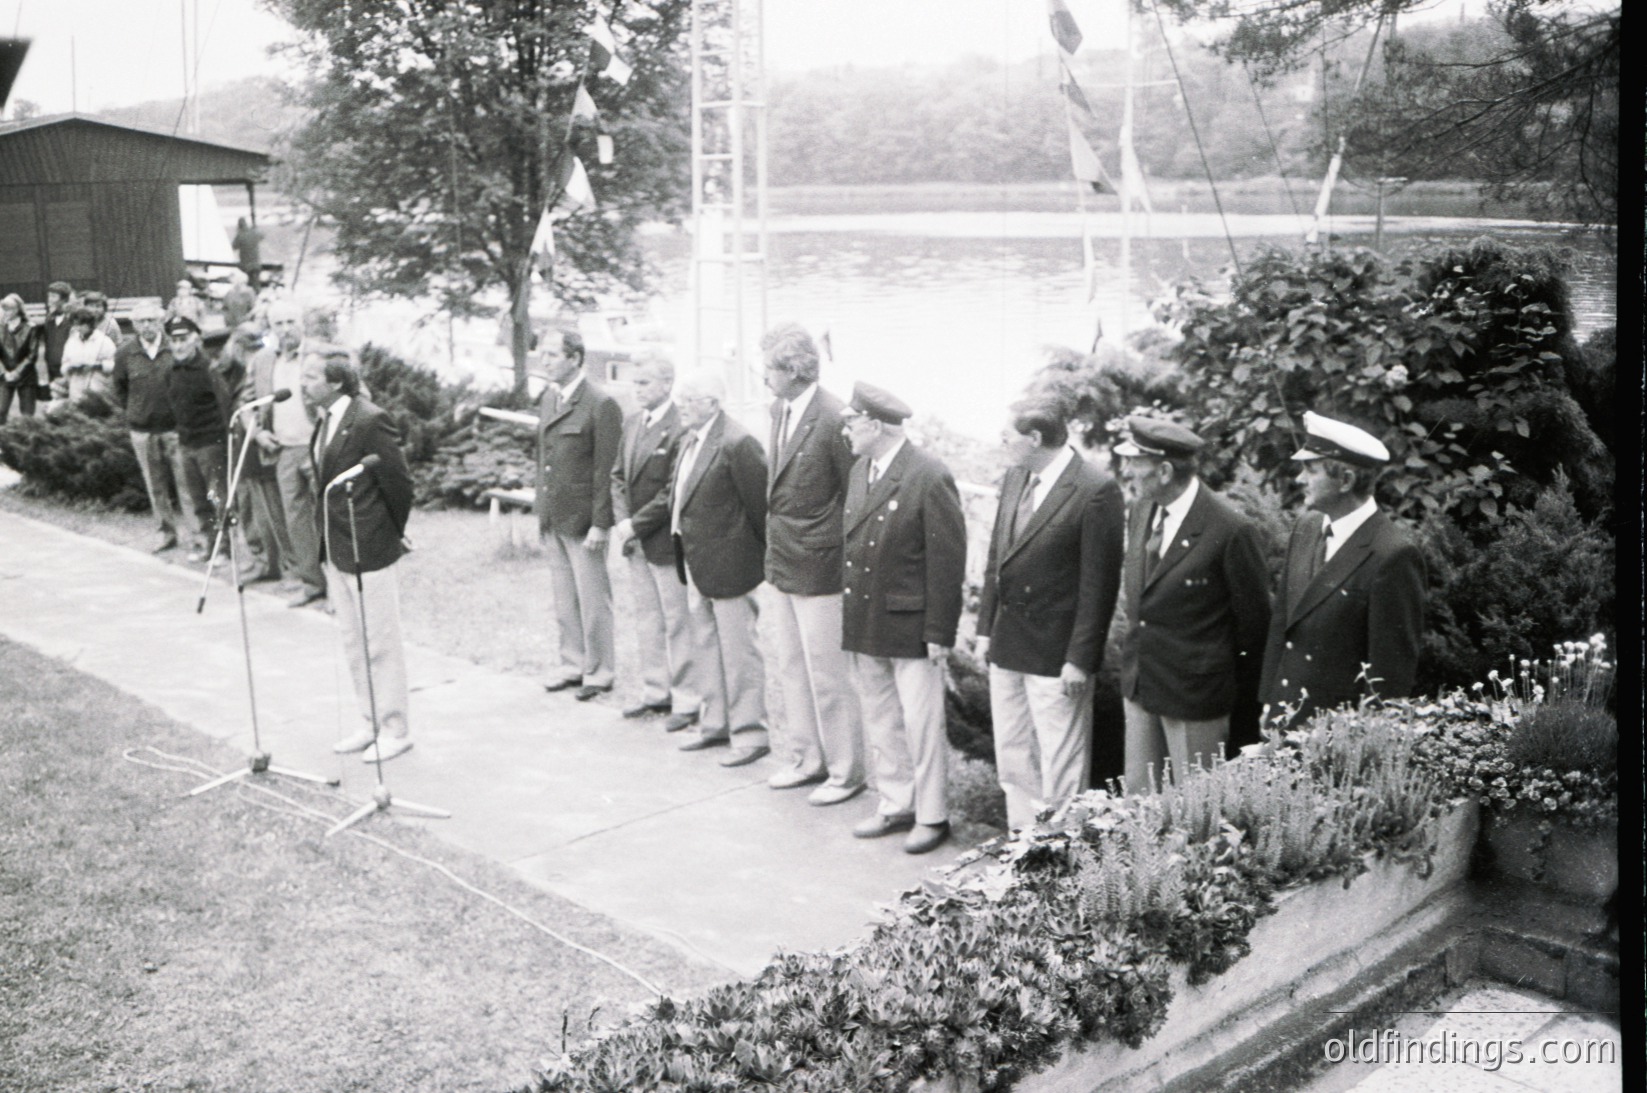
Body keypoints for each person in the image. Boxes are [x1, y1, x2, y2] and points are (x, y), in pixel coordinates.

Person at [975, 400, 1125, 830]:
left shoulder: (1096, 489)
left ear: (1035, 439)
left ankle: (1059, 852)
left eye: (1009, 432)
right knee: (1013, 754)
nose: (1002, 439)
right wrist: (985, 628)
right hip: (1007, 645)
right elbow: (996, 559)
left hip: (1057, 654)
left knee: (1061, 762)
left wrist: (1080, 658)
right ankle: (1024, 844)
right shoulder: (1016, 476)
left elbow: (1100, 586)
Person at [839, 382, 966, 855]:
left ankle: (932, 815)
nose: (846, 429)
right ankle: (895, 803)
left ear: (875, 425)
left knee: (921, 723)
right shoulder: (860, 471)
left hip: (911, 625)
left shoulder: (928, 475)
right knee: (881, 717)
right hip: (867, 619)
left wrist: (940, 631)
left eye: (851, 422)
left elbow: (947, 561)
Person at [1113, 416, 1271, 790]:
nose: (1127, 471)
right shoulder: (1140, 511)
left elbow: (1255, 629)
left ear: (1165, 470)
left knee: (1196, 815)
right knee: (1137, 810)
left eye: (1135, 462)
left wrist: (1240, 709)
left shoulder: (1230, 530)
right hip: (1140, 687)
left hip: (1195, 702)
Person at [1260, 411, 1426, 725]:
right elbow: (1283, 621)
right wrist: (1269, 704)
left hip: (1335, 738)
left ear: (1346, 481)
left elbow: (1388, 680)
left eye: (1310, 470)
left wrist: (1359, 748)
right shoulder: (1307, 527)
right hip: (1284, 721)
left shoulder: (1393, 555)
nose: (1299, 479)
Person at [759, 322, 867, 806]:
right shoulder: (778, 410)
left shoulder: (832, 418)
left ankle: (847, 771)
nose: (763, 377)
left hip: (821, 567)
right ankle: (807, 758)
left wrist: (842, 560)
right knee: (789, 664)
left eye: (769, 368)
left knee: (827, 672)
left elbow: (855, 498)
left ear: (796, 371)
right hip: (781, 560)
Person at [656, 368, 771, 766]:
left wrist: (755, 561)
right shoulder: (691, 440)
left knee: (740, 655)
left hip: (733, 568)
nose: (682, 406)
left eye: (690, 400)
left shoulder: (738, 443)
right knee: (705, 647)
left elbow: (761, 511)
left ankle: (751, 734)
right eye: (682, 398)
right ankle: (715, 724)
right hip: (696, 564)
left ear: (713, 404)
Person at [309, 352, 416, 763]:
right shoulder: (325, 419)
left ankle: (395, 728)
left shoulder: (370, 419)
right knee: (353, 641)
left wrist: (389, 533)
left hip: (369, 546)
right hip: (336, 547)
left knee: (380, 641)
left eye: (311, 375)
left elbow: (400, 483)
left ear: (336, 382)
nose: (303, 383)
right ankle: (369, 721)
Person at [609, 350, 699, 728]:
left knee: (677, 620)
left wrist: (636, 524)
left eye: (644, 382)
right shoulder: (632, 423)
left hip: (665, 541)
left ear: (667, 384)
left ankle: (687, 700)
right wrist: (622, 521)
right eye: (635, 382)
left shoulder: (681, 427)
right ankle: (655, 692)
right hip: (636, 540)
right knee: (648, 619)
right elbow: (616, 477)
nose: (637, 389)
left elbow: (672, 490)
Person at [534, 328, 623, 701]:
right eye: (542, 353)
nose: (545, 359)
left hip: (584, 520)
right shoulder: (549, 399)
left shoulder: (600, 403)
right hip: (554, 515)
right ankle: (571, 664)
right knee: (563, 597)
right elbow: (545, 459)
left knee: (592, 599)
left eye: (553, 353)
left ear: (575, 358)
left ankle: (599, 671)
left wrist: (602, 523)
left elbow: (607, 470)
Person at [245, 301, 329, 607]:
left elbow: (354, 393)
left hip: (319, 446)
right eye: (277, 324)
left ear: (302, 322)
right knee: (296, 521)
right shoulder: (263, 360)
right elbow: (248, 400)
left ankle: (341, 585)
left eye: (290, 321)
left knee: (330, 516)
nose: (284, 329)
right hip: (284, 450)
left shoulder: (322, 354)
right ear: (270, 328)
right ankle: (312, 583)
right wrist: (257, 432)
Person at [111, 304, 188, 552]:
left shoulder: (175, 347)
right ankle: (166, 534)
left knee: (186, 483)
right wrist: (136, 411)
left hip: (174, 428)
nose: (147, 326)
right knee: (155, 486)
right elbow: (120, 388)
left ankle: (200, 537)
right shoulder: (125, 353)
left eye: (152, 320)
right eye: (142, 321)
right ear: (134, 325)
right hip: (142, 430)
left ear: (161, 321)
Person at [215, 323, 286, 583]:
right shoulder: (227, 372)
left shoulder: (266, 367)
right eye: (250, 348)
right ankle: (261, 559)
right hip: (240, 446)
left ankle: (269, 562)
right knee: (248, 507)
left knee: (264, 509)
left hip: (258, 447)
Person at [162, 317, 231, 563]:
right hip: (186, 443)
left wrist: (223, 442)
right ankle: (208, 545)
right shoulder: (171, 370)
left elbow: (225, 406)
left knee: (218, 498)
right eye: (174, 341)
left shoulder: (208, 369)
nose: (178, 346)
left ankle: (224, 548)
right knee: (197, 499)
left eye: (183, 340)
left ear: (194, 340)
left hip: (211, 443)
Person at [56, 306, 118, 408]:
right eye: (75, 324)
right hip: (76, 388)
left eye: (81, 324)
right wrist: (70, 368)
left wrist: (97, 366)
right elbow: (64, 363)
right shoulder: (71, 341)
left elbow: (114, 364)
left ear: (90, 324)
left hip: (97, 387)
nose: (78, 328)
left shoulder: (104, 341)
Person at [0, 293, 42, 423]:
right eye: (4, 309)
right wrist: (4, 373)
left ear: (18, 309)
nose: (6, 312)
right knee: (0, 410)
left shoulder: (31, 328)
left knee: (27, 415)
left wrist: (17, 372)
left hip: (26, 376)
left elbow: (32, 355)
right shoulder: (0, 329)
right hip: (5, 376)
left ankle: (28, 442)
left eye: (9, 309)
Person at [35, 281, 74, 407]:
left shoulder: (72, 319)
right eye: (49, 296)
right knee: (56, 401)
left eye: (53, 296)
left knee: (71, 400)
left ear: (63, 300)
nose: (49, 300)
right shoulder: (49, 318)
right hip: (51, 366)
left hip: (68, 366)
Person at [232, 217, 265, 288]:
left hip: (245, 264)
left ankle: (251, 293)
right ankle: (254, 293)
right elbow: (262, 236)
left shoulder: (240, 235)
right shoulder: (253, 233)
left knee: (250, 282)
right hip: (256, 263)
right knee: (255, 281)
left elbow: (234, 247)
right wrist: (256, 230)